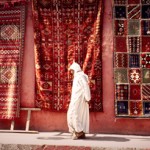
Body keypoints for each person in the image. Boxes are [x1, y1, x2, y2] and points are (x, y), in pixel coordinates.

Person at [67, 62, 91, 140]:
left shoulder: (80, 77)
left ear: (75, 69)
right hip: (76, 99)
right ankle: (79, 132)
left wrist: (88, 98)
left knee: (75, 115)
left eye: (72, 70)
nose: (71, 72)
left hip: (79, 99)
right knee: (75, 115)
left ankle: (79, 132)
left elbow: (85, 87)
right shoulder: (78, 76)